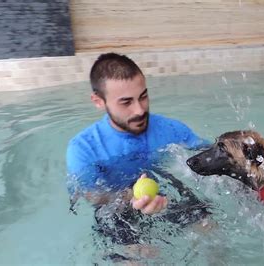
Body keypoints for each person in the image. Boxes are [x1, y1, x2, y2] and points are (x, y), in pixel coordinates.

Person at [66, 52, 209, 216]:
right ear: (99, 101)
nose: (140, 110)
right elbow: (91, 195)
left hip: (169, 195)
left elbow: (209, 156)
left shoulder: (172, 129)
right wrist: (128, 198)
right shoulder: (83, 148)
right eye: (126, 102)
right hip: (119, 211)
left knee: (210, 230)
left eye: (143, 97)